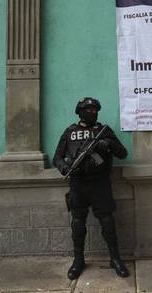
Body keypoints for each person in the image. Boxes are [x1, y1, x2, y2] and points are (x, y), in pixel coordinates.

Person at [53, 97, 129, 280]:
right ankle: (78, 260)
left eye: (95, 110)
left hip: (100, 184)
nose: (92, 113)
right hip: (78, 184)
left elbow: (122, 153)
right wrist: (65, 168)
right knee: (78, 223)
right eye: (89, 110)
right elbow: (57, 158)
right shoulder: (70, 132)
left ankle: (115, 259)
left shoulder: (103, 131)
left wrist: (107, 144)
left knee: (108, 222)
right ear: (80, 112)